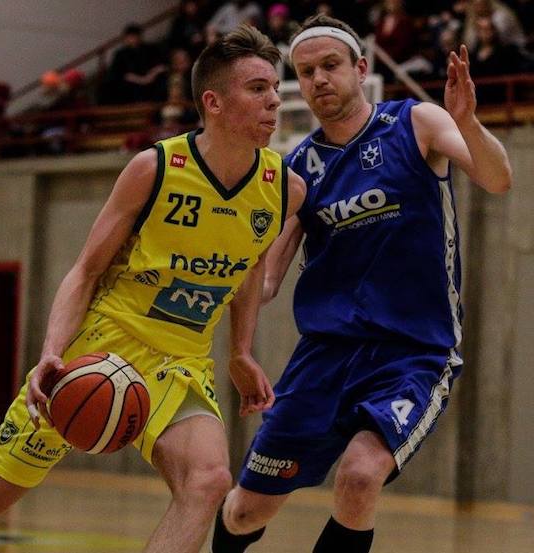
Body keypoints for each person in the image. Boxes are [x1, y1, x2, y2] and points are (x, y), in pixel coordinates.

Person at [0, 24, 306, 553]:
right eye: (258, 88)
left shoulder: (283, 190)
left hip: (181, 363)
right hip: (101, 348)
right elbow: (85, 271)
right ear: (214, 102)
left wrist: (241, 351)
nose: (275, 100)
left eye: (275, 88)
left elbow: (250, 266)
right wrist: (52, 351)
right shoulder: (155, 169)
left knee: (207, 482)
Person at [212, 14, 512, 553]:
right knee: (242, 512)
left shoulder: (416, 123)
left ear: (361, 68)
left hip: (413, 351)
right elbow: (267, 277)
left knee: (358, 477)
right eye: (306, 72)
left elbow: (497, 177)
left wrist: (467, 123)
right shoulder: (297, 169)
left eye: (330, 65)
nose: (318, 79)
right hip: (324, 355)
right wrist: (211, 302)